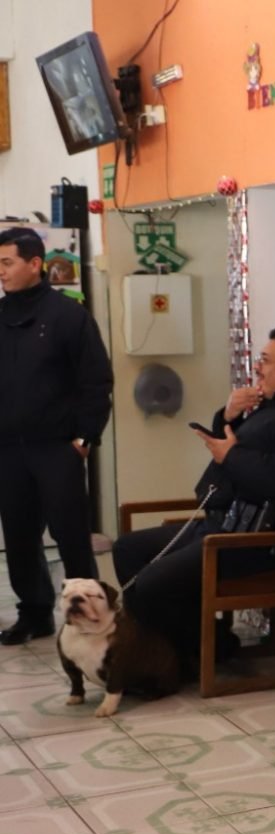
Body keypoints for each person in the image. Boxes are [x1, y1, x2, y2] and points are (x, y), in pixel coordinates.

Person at [112, 327, 275, 666]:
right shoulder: (273, 407)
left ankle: (212, 649)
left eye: (265, 360)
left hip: (254, 542)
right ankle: (170, 650)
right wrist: (229, 416)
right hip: (221, 527)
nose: (258, 367)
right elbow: (238, 449)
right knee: (127, 549)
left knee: (152, 584)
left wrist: (231, 456)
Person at [0, 226, 113, 646]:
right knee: (19, 534)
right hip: (9, 448)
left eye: (7, 262)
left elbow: (96, 381)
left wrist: (84, 439)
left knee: (71, 535)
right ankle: (34, 613)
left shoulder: (68, 316)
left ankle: (89, 612)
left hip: (57, 446)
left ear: (35, 264)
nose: (1, 272)